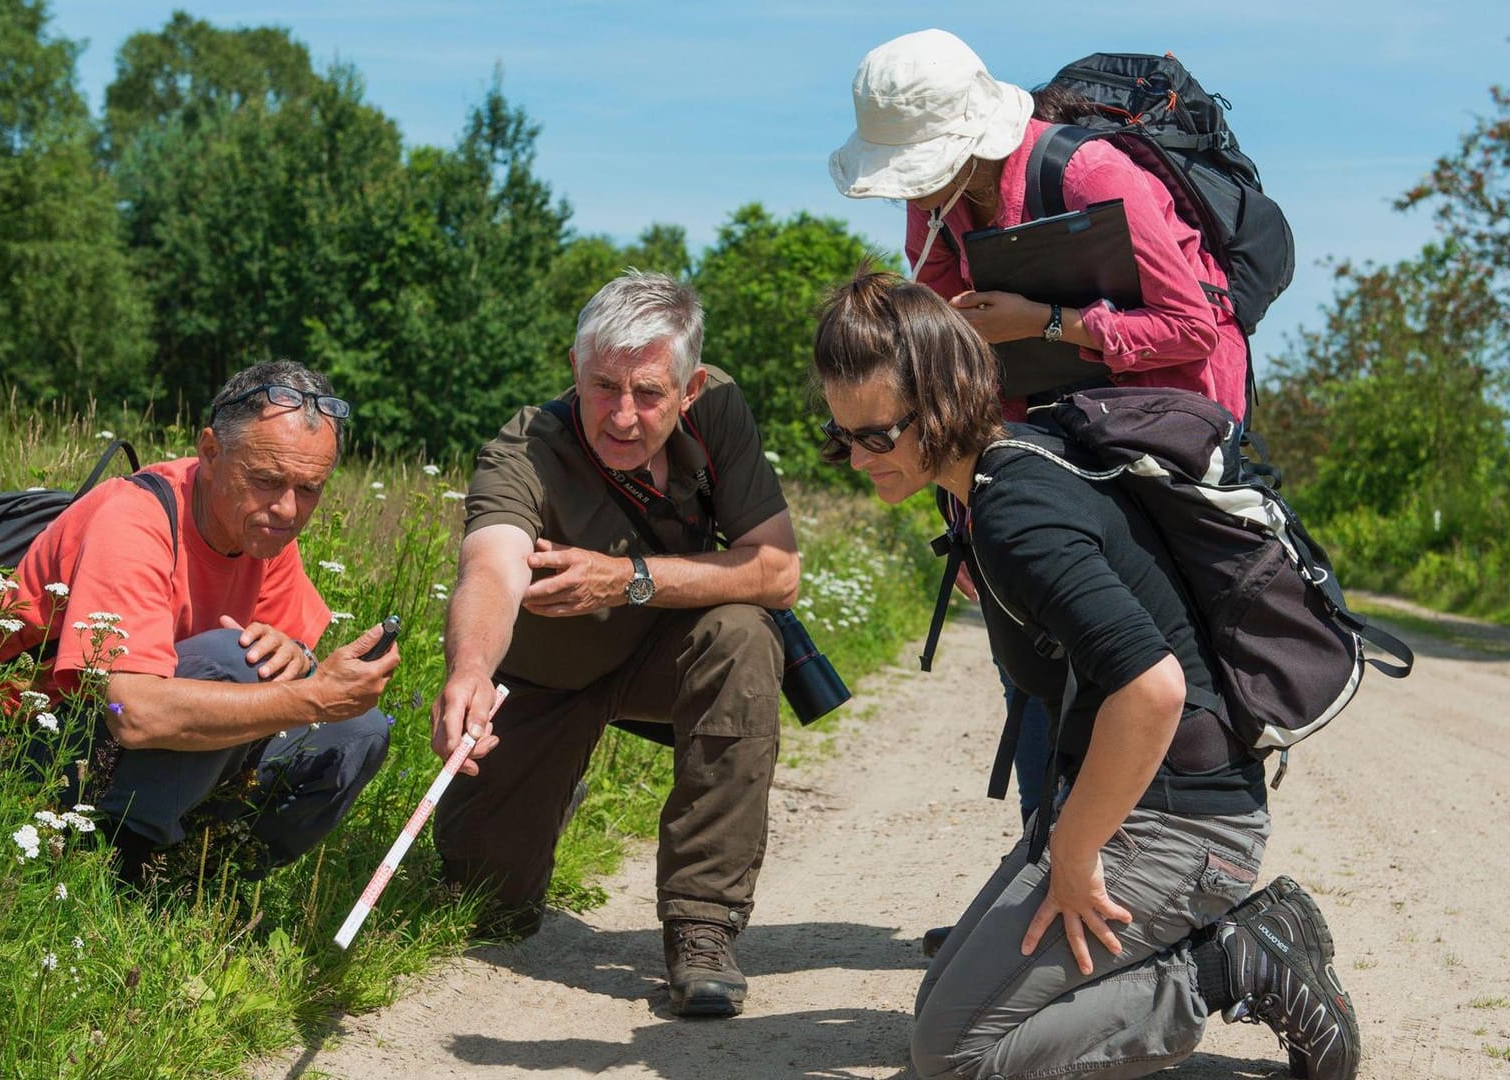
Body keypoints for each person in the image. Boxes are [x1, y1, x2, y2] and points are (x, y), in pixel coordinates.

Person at [813, 271, 1358, 1080]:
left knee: (955, 1059)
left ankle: (1231, 964)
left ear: (944, 403)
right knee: (939, 1009)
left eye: (876, 435)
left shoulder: (1016, 513)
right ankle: (1225, 938)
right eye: (840, 437)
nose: (857, 458)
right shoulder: (1013, 466)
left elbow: (1154, 687)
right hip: (1154, 799)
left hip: (1186, 823)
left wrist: (1074, 848)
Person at [830, 27, 1255, 875]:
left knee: (1132, 655)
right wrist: (966, 512)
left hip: (1157, 431)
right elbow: (950, 367)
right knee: (1028, 658)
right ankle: (1042, 870)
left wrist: (1047, 323)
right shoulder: (936, 206)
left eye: (915, 165)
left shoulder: (1093, 175)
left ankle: (1165, 868)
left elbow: (1189, 328)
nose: (907, 192)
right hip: (1037, 436)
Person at [432, 270, 799, 1018]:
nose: (623, 415)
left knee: (743, 636)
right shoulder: (523, 447)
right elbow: (491, 566)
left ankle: (702, 924)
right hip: (544, 678)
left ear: (690, 388)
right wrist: (469, 669)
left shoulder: (719, 410)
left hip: (667, 655)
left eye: (649, 394)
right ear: (575, 368)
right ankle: (549, 791)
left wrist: (626, 580)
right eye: (603, 387)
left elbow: (777, 569)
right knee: (485, 908)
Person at [0, 360, 400, 883]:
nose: (288, 509)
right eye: (267, 479)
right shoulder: (134, 519)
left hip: (148, 755)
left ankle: (207, 878)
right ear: (210, 452)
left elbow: (280, 678)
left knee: (357, 727)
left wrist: (297, 658)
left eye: (310, 488)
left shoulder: (262, 531)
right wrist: (311, 694)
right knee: (237, 661)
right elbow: (130, 711)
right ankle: (110, 873)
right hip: (36, 747)